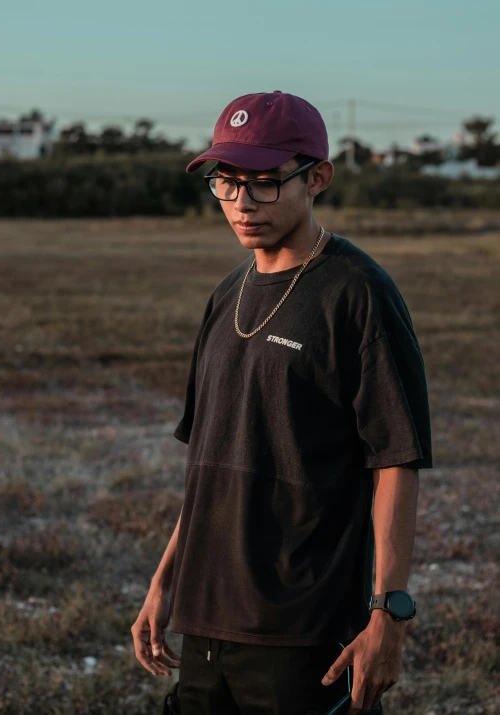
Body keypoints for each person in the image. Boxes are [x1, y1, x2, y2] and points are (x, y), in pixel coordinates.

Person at [131, 91, 433, 715]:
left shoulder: (357, 294)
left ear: (317, 177)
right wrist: (164, 583)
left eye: (266, 184)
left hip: (305, 631)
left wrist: (389, 614)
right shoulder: (226, 296)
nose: (242, 203)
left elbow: (395, 460)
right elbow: (213, 465)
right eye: (227, 182)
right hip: (206, 619)